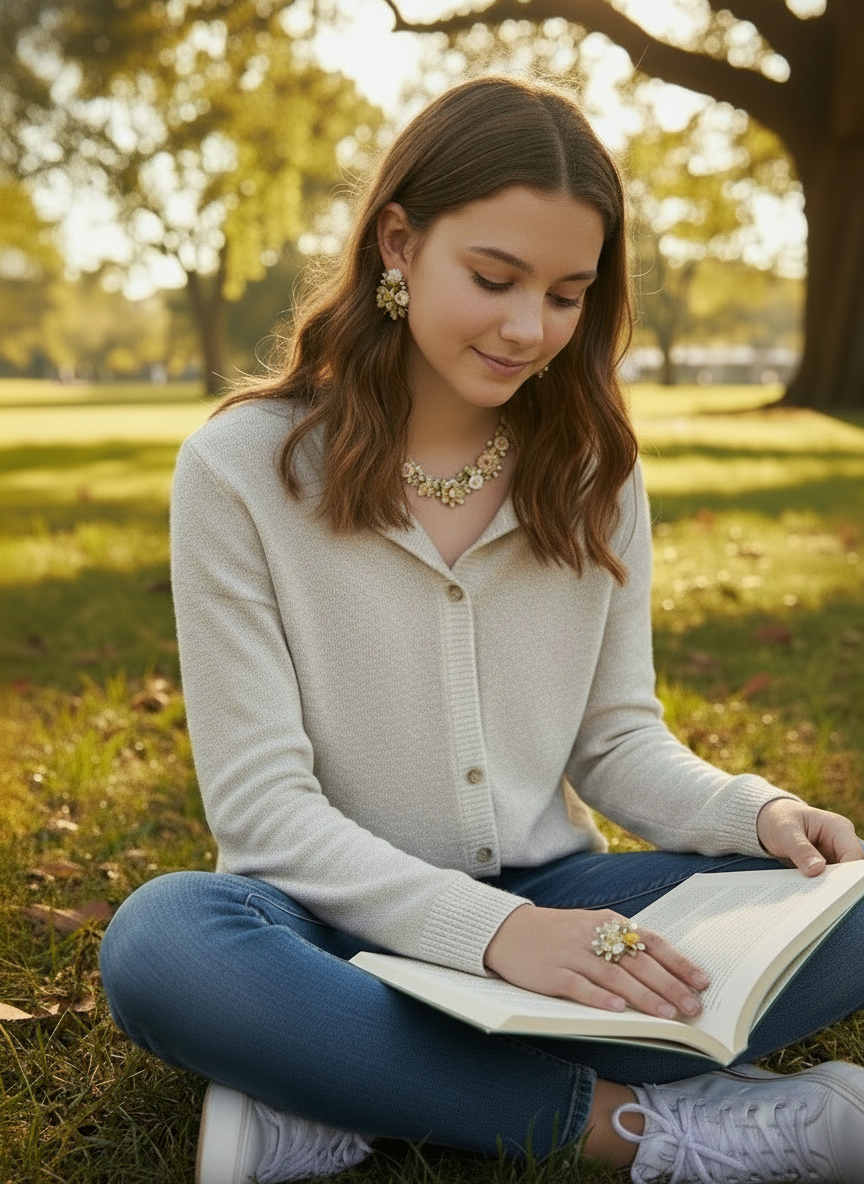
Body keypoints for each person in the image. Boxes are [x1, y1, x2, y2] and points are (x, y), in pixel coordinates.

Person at [99, 76, 864, 1184]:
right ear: (398, 244)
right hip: (321, 926)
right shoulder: (242, 470)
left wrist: (763, 811)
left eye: (567, 294)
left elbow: (615, 742)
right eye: (495, 278)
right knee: (164, 944)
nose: (529, 328)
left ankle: (331, 1087)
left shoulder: (597, 474)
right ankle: (655, 1128)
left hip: (559, 902)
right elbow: (264, 811)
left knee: (846, 908)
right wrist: (499, 940)